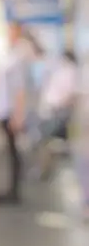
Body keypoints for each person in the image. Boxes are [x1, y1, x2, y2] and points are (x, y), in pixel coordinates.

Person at [0, 22, 31, 205]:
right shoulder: (12, 55)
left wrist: (17, 116)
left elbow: (19, 90)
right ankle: (13, 188)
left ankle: (14, 191)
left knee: (14, 152)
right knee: (12, 151)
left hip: (11, 112)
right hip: (7, 110)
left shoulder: (18, 57)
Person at [34, 51, 78, 180]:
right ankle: (45, 169)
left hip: (57, 111)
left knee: (46, 141)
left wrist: (60, 108)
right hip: (54, 110)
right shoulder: (64, 71)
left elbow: (70, 95)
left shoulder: (69, 72)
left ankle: (44, 169)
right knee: (47, 142)